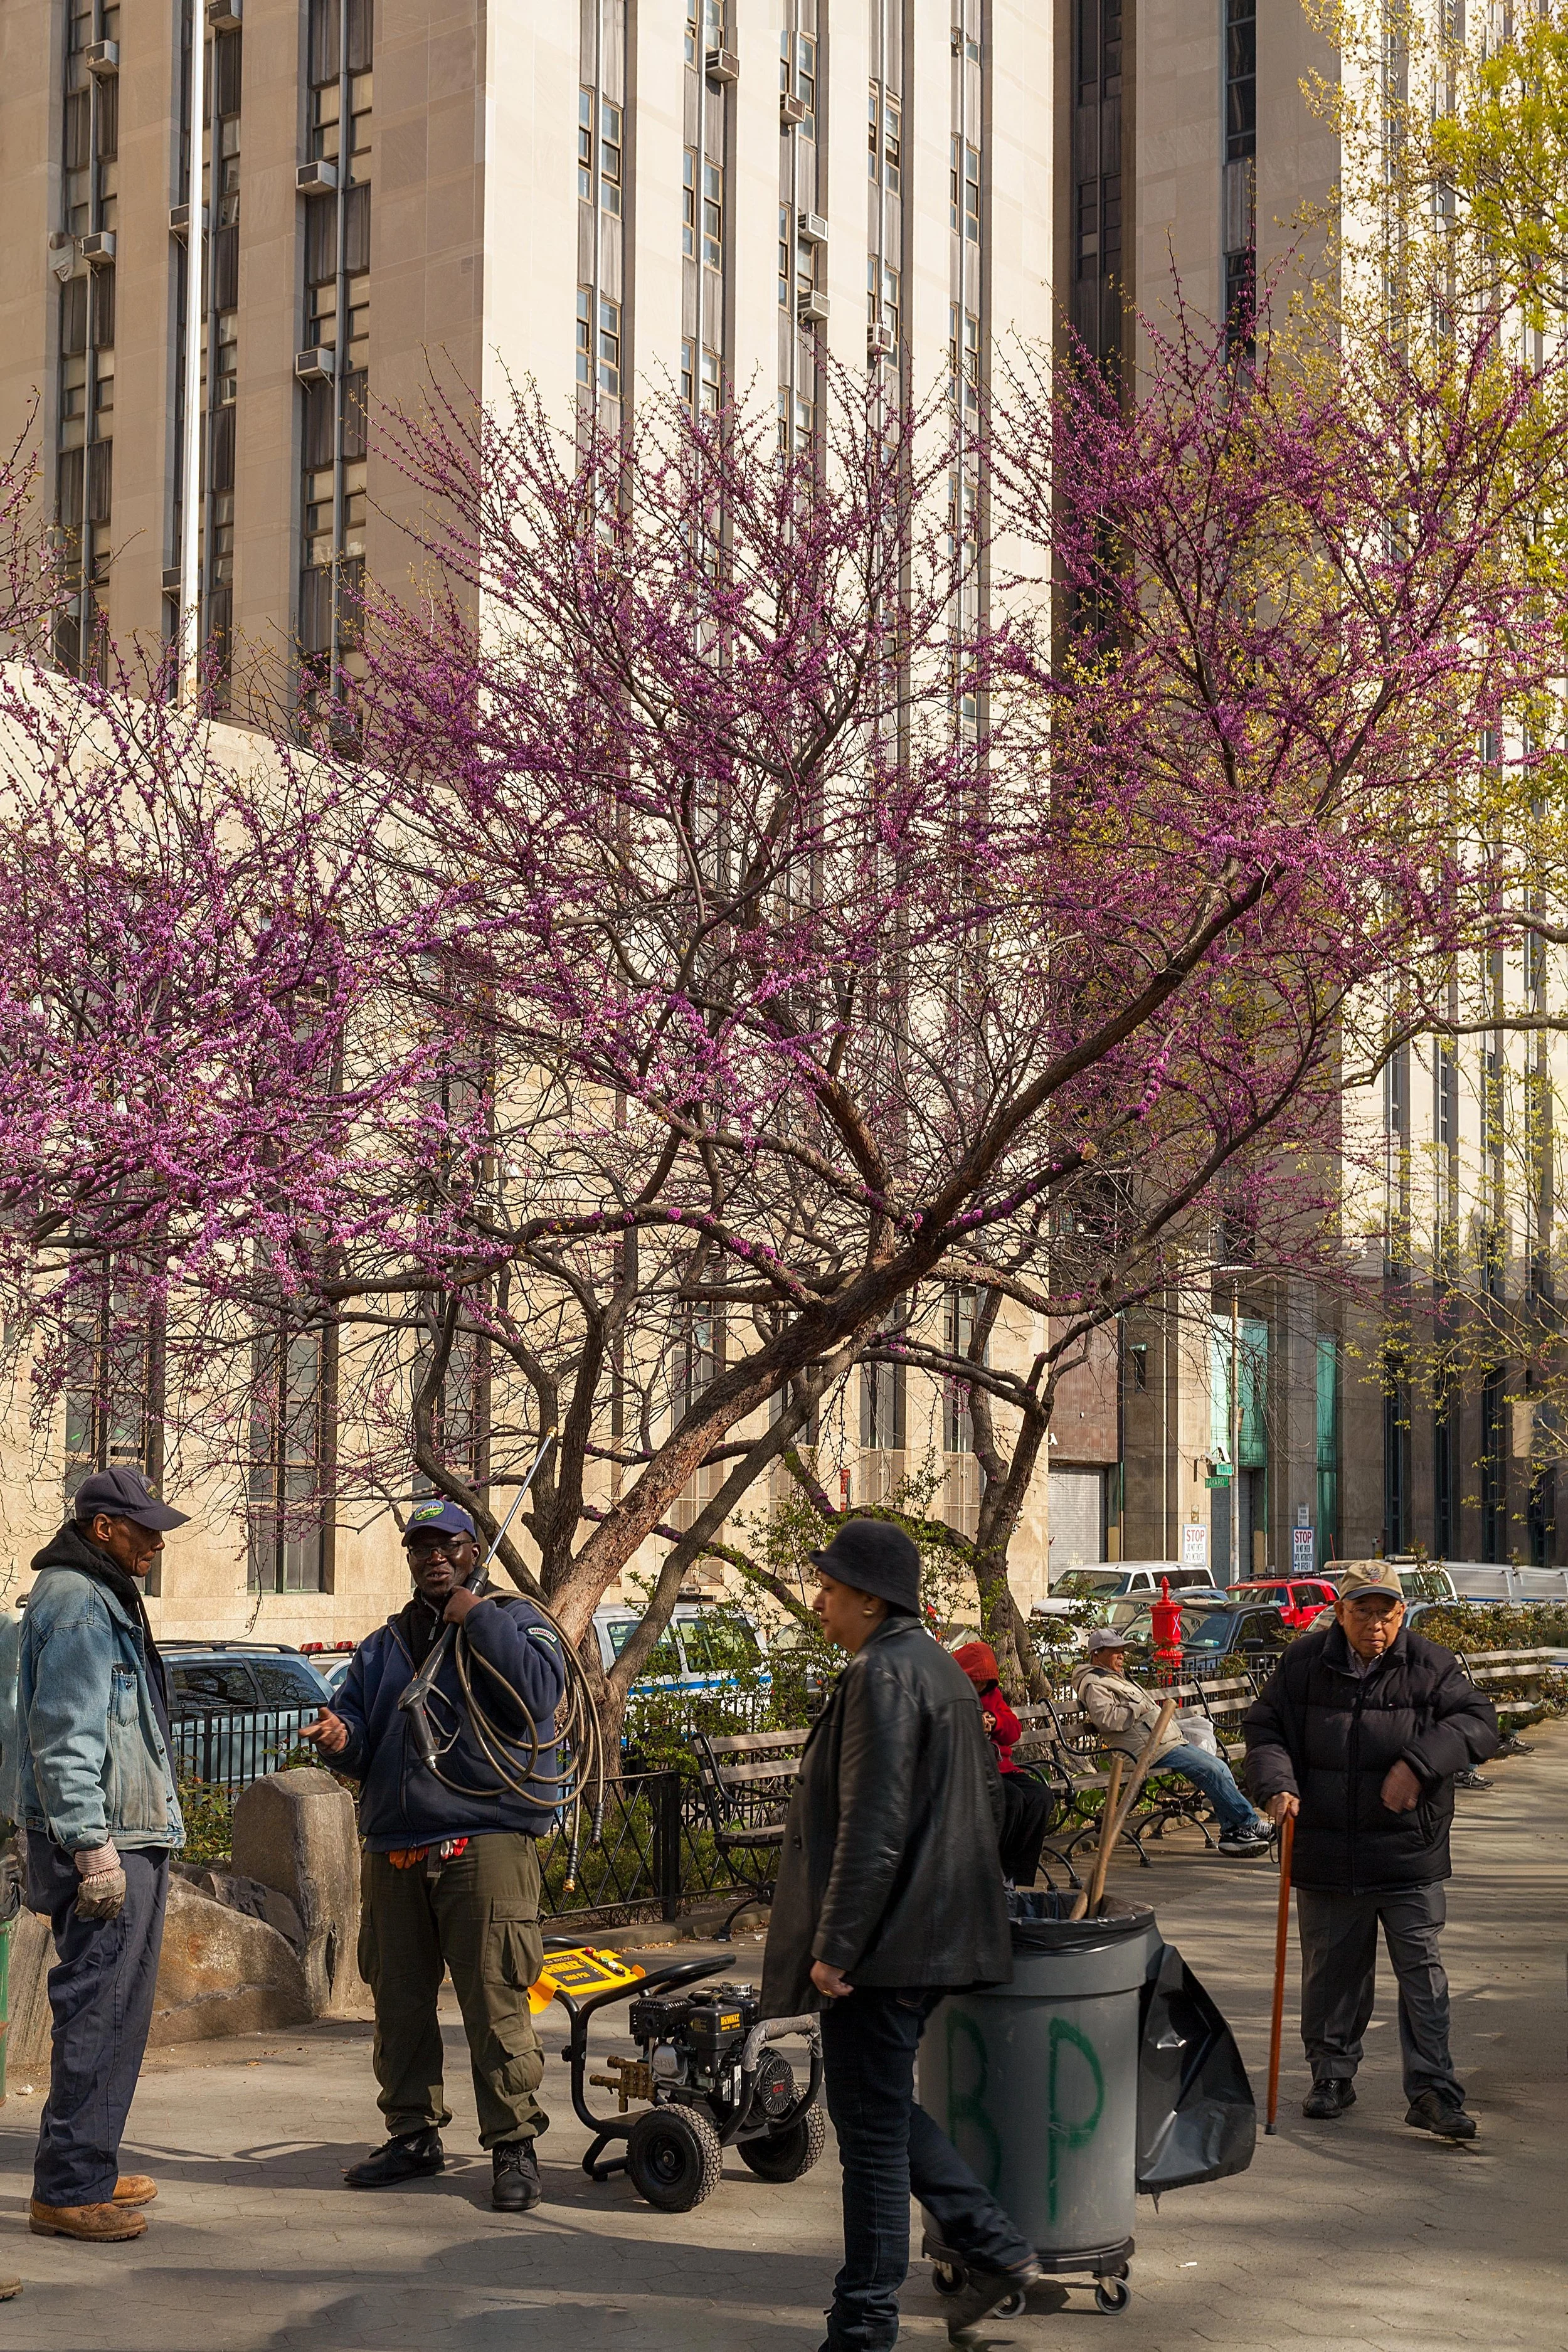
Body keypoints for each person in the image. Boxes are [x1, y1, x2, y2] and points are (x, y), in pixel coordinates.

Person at [761, 1519, 1044, 2351]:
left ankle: (867, 2324)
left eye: (832, 1588)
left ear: (872, 1598)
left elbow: (872, 1825)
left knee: (873, 2141)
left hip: (885, 1949)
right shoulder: (932, 1670)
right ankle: (990, 2248)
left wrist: (836, 1946)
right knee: (879, 2117)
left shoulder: (887, 1673)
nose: (820, 1602)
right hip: (927, 1934)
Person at [302, 1498, 567, 2210]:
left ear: (474, 1551)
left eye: (448, 1544)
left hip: (484, 1839)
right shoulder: (385, 1645)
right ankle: (413, 2134)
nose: (434, 1557)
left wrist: (475, 1618)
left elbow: (541, 1694)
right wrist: (340, 1737)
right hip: (396, 1845)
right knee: (399, 2002)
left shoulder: (515, 1622)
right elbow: (363, 1733)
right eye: (421, 1547)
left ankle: (513, 2145)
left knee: (494, 2000)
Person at [1244, 1560, 1498, 2139]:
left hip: (1409, 1850)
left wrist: (1418, 1763)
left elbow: (1480, 1723)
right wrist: (1276, 1784)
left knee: (1423, 1975)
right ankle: (1332, 2075)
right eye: (1363, 1610)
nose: (1376, 1624)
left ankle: (1433, 2091)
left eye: (1387, 1612)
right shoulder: (1304, 1664)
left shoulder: (1430, 1664)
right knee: (1332, 1973)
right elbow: (1265, 1731)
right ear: (1340, 1612)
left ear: (1402, 1613)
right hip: (1326, 1849)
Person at [18, 1465, 188, 2245]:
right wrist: (92, 1847)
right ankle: (69, 2188)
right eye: (143, 1526)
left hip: (126, 1831)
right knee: (100, 2007)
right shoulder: (81, 1602)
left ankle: (88, 2161)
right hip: (107, 1838)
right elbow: (64, 1735)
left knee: (115, 2012)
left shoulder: (99, 1592)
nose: (157, 1539)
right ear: (101, 1528)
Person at [1073, 1627, 1272, 1855]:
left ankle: (1233, 1833)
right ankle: (1249, 1823)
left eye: (1123, 1651)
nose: (1122, 1656)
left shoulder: (1112, 1677)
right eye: (1116, 1651)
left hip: (1162, 1742)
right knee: (1211, 1770)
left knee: (1218, 1767)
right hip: (1146, 1750)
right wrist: (1139, 1707)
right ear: (1097, 1654)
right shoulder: (1094, 1684)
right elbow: (1107, 1719)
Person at [951, 1640, 1052, 1887]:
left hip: (1000, 1767)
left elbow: (1014, 1729)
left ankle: (1015, 1876)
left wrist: (994, 1721)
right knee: (1011, 1799)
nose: (981, 1687)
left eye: (985, 1683)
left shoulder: (991, 1695)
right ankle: (991, 1870)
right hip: (970, 1771)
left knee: (1041, 1797)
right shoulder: (949, 1692)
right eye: (977, 1682)